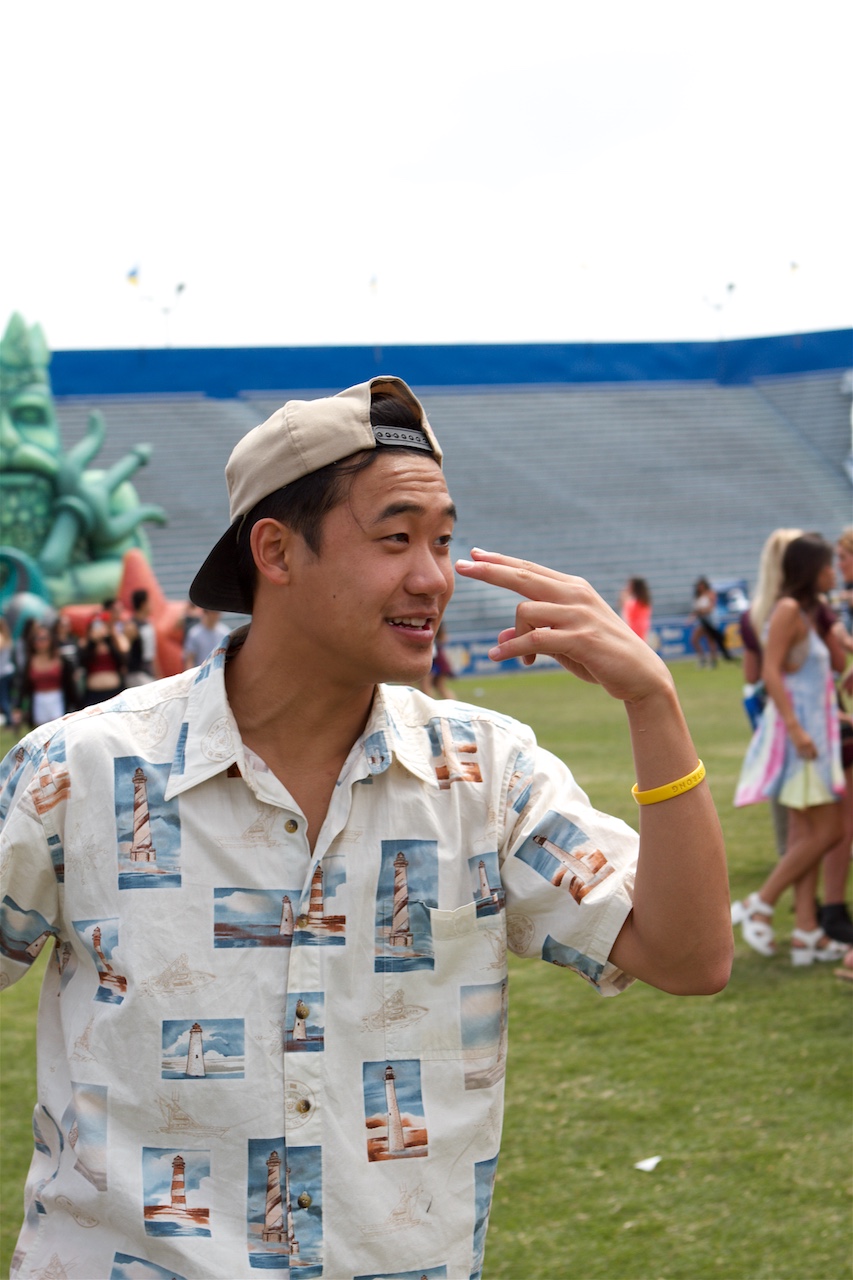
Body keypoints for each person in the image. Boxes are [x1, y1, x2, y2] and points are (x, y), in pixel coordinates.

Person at [0, 376, 731, 1280]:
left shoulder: (484, 774)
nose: (433, 577)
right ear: (275, 550)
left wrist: (653, 703)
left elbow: (688, 957)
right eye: (395, 538)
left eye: (443, 540)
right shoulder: (80, 769)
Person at [732, 533, 849, 964]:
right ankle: (760, 903)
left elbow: (821, 677)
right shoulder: (786, 610)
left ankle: (805, 931)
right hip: (802, 742)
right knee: (830, 831)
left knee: (807, 834)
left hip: (817, 737)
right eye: (827, 565)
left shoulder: (807, 612)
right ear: (810, 570)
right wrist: (798, 730)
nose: (833, 572)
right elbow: (770, 673)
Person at [17, 620, 78, 728]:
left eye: (44, 638)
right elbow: (24, 686)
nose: (40, 642)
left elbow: (70, 686)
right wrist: (18, 707)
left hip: (57, 699)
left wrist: (77, 706)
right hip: (39, 700)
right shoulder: (30, 662)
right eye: (37, 639)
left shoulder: (61, 659)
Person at [80, 614, 126, 706]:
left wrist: (113, 634)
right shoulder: (87, 645)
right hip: (94, 693)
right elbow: (83, 661)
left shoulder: (112, 643)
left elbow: (124, 652)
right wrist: (92, 642)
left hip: (113, 690)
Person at [690, 576, 735, 665]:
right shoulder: (698, 596)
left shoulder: (710, 593)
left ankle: (712, 660)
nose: (700, 587)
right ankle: (704, 658)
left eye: (701, 585)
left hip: (709, 620)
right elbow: (696, 610)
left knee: (710, 639)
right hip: (701, 621)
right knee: (695, 639)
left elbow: (711, 607)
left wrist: (702, 611)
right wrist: (692, 617)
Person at [125, 588, 162, 686]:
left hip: (148, 671)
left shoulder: (148, 624)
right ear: (143, 604)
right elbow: (125, 652)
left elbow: (151, 653)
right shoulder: (131, 626)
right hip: (136, 673)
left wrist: (158, 674)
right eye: (150, 602)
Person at [619, 577, 652, 642]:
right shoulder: (645, 601)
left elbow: (625, 619)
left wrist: (623, 602)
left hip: (633, 632)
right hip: (643, 631)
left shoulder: (632, 603)